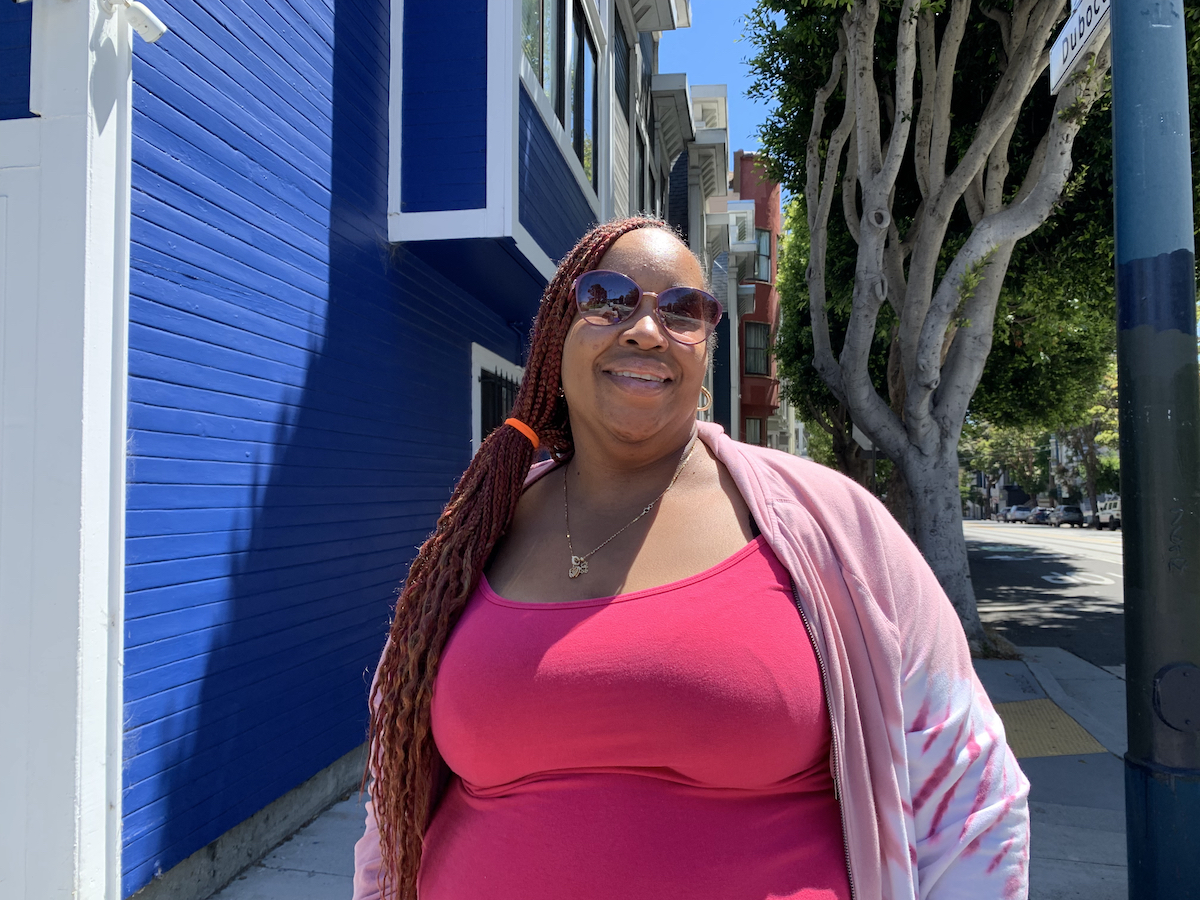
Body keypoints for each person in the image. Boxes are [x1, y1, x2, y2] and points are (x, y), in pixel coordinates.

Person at [353, 217, 1029, 900]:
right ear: (557, 332)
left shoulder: (832, 528)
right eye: (608, 298)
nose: (646, 329)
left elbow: (972, 800)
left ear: (706, 350)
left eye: (683, 311)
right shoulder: (475, 535)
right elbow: (394, 794)